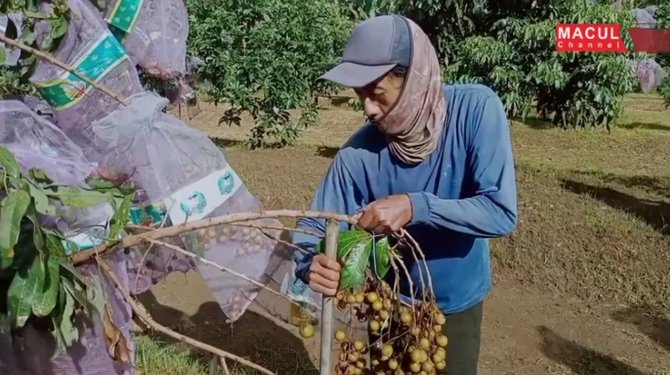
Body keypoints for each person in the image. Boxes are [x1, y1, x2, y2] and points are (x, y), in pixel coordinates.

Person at [291, 14, 518, 374]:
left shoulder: (476, 111)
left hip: (456, 307)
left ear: (412, 81)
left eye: (376, 93)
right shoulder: (359, 154)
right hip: (389, 303)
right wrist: (310, 265)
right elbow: (313, 228)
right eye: (360, 95)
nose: (367, 108)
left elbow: (499, 212)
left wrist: (416, 206)